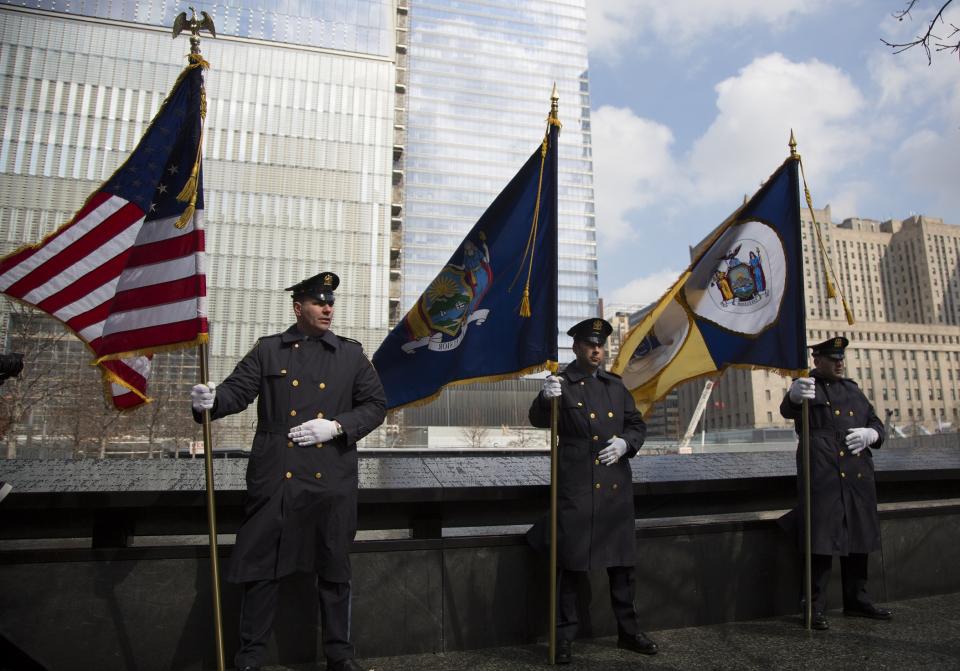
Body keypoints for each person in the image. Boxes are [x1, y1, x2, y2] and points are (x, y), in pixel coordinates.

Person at [191, 272, 386, 671]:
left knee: (334, 569)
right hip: (277, 476)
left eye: (330, 302)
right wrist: (209, 401)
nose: (328, 308)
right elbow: (237, 392)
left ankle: (340, 655)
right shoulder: (269, 351)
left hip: (330, 476)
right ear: (299, 308)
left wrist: (336, 427)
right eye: (319, 302)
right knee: (262, 569)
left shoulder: (350, 355)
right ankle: (250, 657)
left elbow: (375, 405)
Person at [528, 318, 657, 664]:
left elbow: (636, 424)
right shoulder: (562, 383)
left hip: (614, 487)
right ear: (576, 347)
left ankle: (629, 633)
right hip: (578, 486)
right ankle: (564, 638)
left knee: (622, 567)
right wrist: (544, 397)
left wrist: (626, 444)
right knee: (571, 565)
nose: (596, 350)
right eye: (589, 344)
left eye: (601, 345)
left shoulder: (616, 386)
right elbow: (538, 419)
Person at [781, 336, 891, 631]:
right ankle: (813, 605)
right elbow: (788, 410)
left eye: (841, 358)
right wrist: (792, 396)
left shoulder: (853, 392)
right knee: (820, 542)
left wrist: (872, 435)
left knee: (858, 539)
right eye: (833, 358)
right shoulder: (806, 386)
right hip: (824, 474)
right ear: (817, 361)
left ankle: (857, 599)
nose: (840, 363)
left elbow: (878, 425)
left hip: (856, 477)